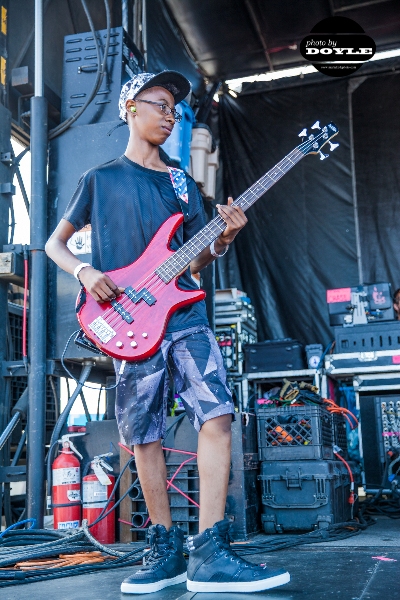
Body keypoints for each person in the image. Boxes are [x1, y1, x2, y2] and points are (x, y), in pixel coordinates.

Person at [45, 70, 290, 594]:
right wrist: (86, 273)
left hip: (184, 317)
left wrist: (222, 240)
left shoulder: (181, 181)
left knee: (218, 414)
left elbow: (194, 259)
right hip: (130, 324)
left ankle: (211, 549)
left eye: (174, 109)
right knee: (143, 435)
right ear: (129, 108)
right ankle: (163, 547)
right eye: (159, 104)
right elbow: (54, 245)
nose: (168, 114)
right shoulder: (100, 179)